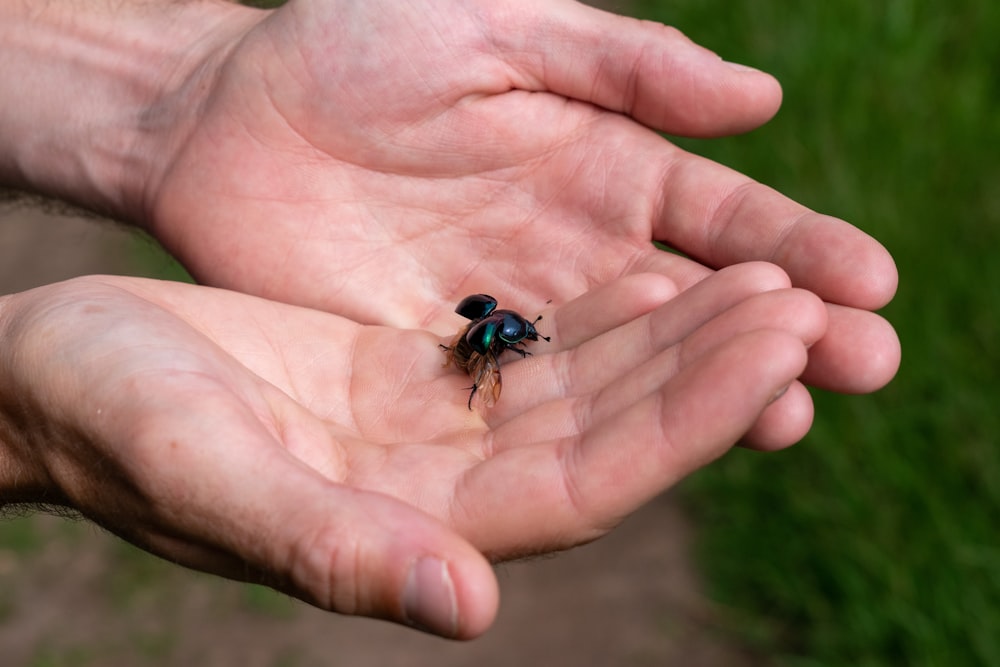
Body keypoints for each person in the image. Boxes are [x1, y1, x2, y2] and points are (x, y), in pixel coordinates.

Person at [0, 0, 899, 639]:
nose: (511, 338)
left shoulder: (503, 326)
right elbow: (496, 340)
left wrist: (191, 88)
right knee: (492, 354)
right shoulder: (492, 336)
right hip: (469, 341)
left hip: (473, 334)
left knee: (503, 345)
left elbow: (509, 333)